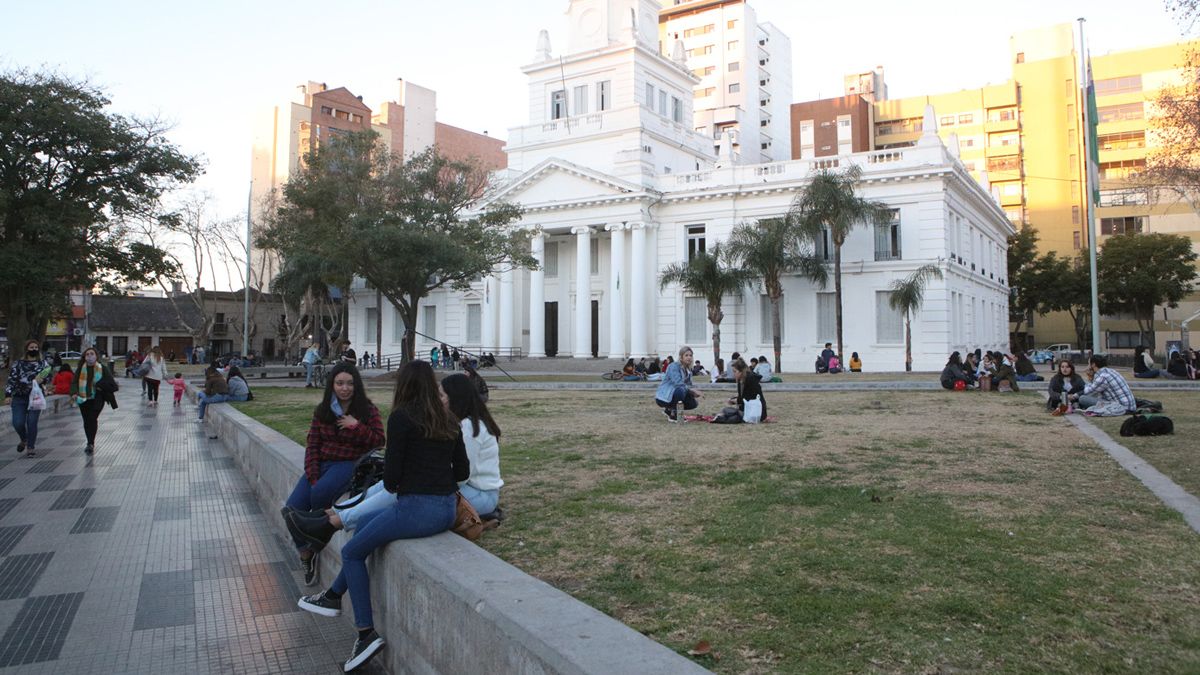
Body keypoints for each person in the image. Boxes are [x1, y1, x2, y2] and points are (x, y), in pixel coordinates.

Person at [294, 361, 466, 672]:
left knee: (351, 551)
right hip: (447, 508)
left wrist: (415, 477)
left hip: (418, 509)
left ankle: (365, 634)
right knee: (364, 531)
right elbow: (463, 471)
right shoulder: (449, 419)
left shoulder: (401, 418)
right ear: (431, 385)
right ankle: (333, 596)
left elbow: (391, 481)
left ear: (404, 386)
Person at [286, 370, 504, 549]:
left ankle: (335, 521)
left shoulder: (469, 428)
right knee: (391, 484)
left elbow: (462, 476)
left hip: (480, 495)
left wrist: (424, 480)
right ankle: (334, 514)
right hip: (463, 489)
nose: (438, 400)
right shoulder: (461, 423)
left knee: (402, 488)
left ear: (456, 399)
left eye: (442, 396)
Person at [283, 363, 385, 588]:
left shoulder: (367, 410)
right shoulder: (323, 411)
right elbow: (313, 445)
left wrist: (356, 426)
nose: (345, 388)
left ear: (356, 385)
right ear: (332, 385)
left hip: (350, 463)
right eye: (340, 383)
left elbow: (379, 441)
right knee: (291, 508)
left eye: (349, 383)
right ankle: (307, 553)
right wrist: (312, 474)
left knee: (320, 493)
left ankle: (316, 541)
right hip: (323, 463)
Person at [4, 339, 52, 457]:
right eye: (31, 348)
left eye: (36, 347)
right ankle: (24, 439)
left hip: (35, 397)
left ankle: (30, 447)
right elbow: (11, 380)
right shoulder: (18, 364)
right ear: (26, 349)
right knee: (18, 422)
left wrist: (44, 380)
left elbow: (49, 377)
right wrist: (8, 395)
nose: (34, 349)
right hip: (19, 397)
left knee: (32, 422)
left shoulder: (43, 364)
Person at [71, 347, 113, 456]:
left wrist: (100, 385)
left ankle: (91, 443)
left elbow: (112, 384)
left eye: (92, 354)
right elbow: (74, 382)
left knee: (92, 418)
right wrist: (74, 393)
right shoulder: (81, 369)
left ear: (96, 356)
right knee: (86, 421)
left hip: (98, 398)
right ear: (84, 357)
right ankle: (89, 442)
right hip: (83, 398)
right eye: (87, 354)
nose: (90, 356)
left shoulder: (102, 368)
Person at [1069, 354, 1136, 416]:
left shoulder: (1102, 377)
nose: (1088, 366)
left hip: (1121, 408)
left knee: (1082, 398)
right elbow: (1095, 389)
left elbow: (1088, 391)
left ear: (1093, 365)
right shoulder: (1111, 371)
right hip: (1128, 406)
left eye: (1089, 364)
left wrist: (1074, 396)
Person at [654, 346, 703, 421]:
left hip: (676, 394)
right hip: (664, 396)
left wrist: (694, 393)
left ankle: (669, 410)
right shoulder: (674, 366)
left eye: (690, 355)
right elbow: (678, 383)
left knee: (693, 403)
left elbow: (689, 386)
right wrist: (692, 391)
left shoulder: (688, 370)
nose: (689, 357)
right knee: (680, 390)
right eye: (686, 355)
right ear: (681, 357)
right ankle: (675, 415)